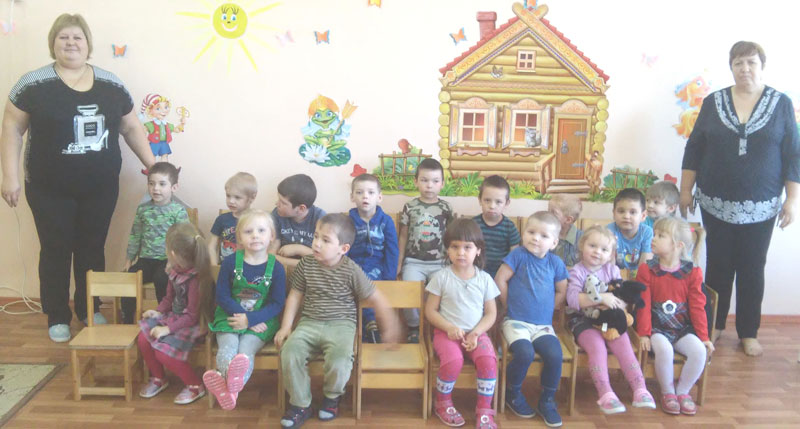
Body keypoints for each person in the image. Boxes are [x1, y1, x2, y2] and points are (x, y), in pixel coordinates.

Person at [0, 13, 154, 342]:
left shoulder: (111, 84)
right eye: (63, 37)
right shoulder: (33, 83)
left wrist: (153, 166)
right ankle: (57, 315)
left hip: (100, 189)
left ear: (88, 44)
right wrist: (9, 177)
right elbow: (11, 128)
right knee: (55, 250)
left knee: (92, 249)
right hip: (47, 188)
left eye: (77, 37)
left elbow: (131, 127)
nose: (70, 43)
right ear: (53, 43)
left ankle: (89, 309)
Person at [680, 41, 800, 357]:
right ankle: (714, 325)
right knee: (717, 265)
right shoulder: (713, 102)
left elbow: (793, 154)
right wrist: (685, 190)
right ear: (731, 67)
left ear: (762, 65)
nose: (745, 69)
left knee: (752, 267)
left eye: (751, 62)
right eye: (738, 63)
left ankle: (748, 332)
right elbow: (694, 147)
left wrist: (792, 199)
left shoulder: (781, 104)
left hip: (762, 205)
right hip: (715, 202)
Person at [275, 213, 399, 427]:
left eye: (325, 240)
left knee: (340, 360)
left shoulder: (351, 269)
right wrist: (286, 327)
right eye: (316, 236)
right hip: (309, 322)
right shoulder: (306, 264)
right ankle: (300, 404)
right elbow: (294, 295)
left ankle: (332, 397)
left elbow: (375, 297)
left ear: (343, 248)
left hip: (341, 325)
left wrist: (389, 327)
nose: (316, 243)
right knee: (290, 352)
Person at [566, 225, 655, 414]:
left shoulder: (612, 270)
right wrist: (601, 298)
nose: (597, 252)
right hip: (583, 321)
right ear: (582, 246)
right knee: (597, 347)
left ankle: (640, 389)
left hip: (611, 321)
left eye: (604, 249)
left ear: (610, 254)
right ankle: (605, 393)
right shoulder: (577, 271)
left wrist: (619, 304)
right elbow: (573, 300)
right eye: (592, 246)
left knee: (624, 345)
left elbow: (622, 298)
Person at [204, 209, 286, 410]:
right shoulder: (230, 262)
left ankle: (228, 391)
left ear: (271, 236)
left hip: (261, 321)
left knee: (245, 351)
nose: (255, 235)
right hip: (229, 316)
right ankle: (230, 391)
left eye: (261, 231)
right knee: (228, 347)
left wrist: (251, 320)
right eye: (249, 231)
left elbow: (277, 303)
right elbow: (222, 296)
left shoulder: (277, 268)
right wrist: (243, 318)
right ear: (239, 237)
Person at [494, 211, 567, 427]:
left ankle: (547, 400)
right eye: (531, 232)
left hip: (542, 325)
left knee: (555, 354)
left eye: (543, 236)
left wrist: (550, 309)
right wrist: (507, 305)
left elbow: (562, 290)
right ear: (523, 233)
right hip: (515, 321)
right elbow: (500, 279)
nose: (535, 238)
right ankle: (512, 392)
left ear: (554, 243)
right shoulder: (517, 255)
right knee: (524, 353)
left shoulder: (555, 263)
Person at [425, 218, 500, 429]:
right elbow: (430, 311)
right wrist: (449, 327)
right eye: (455, 247)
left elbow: (491, 313)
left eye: (467, 247)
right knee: (453, 360)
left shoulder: (485, 279)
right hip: (446, 334)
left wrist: (476, 333)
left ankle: (484, 410)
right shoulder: (441, 277)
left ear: (478, 250)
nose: (461, 252)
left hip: (477, 334)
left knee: (489, 360)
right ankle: (442, 403)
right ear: (447, 250)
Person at [636, 217, 714, 416]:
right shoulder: (647, 269)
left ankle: (683, 392)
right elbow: (643, 304)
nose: (654, 238)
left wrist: (704, 337)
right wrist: (644, 333)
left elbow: (698, 307)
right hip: (657, 328)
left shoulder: (693, 272)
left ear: (678, 245)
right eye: (654, 234)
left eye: (661, 235)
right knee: (664, 349)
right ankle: (667, 392)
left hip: (681, 329)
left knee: (699, 351)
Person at [137, 222, 212, 405]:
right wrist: (158, 311)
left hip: (193, 324)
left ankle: (195, 385)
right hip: (174, 318)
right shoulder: (174, 271)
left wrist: (167, 329)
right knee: (143, 339)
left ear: (172, 253)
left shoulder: (196, 279)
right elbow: (169, 299)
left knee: (163, 353)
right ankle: (158, 378)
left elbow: (192, 316)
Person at [122, 162, 189, 323]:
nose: (155, 188)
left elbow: (184, 238)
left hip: (167, 260)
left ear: (174, 187)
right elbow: (135, 235)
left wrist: (177, 261)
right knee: (130, 278)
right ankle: (128, 318)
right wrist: (129, 259)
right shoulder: (143, 210)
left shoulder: (178, 211)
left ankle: (164, 316)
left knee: (161, 279)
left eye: (162, 184)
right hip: (145, 259)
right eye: (151, 184)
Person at [398, 158, 454, 343]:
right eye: (424, 180)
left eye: (435, 181)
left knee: (441, 293)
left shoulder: (446, 208)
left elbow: (452, 237)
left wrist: (452, 262)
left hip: (440, 263)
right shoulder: (410, 207)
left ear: (442, 183)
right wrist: (399, 262)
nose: (429, 185)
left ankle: (437, 328)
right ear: (416, 181)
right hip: (414, 263)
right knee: (409, 291)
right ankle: (414, 327)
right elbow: (403, 236)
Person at [347, 173, 398, 343]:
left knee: (370, 283)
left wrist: (389, 277)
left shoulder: (386, 221)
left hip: (377, 266)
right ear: (352, 197)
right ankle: (367, 324)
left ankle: (370, 324)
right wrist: (342, 270)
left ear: (379, 197)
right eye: (359, 192)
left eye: (370, 192)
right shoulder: (348, 221)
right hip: (353, 265)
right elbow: (343, 247)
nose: (365, 196)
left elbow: (392, 250)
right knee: (355, 284)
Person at [269, 174, 326, 271]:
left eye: (283, 202)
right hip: (285, 269)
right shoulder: (276, 215)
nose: (277, 204)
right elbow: (271, 256)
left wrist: (298, 249)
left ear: (301, 208)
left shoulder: (320, 218)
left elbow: (324, 257)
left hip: (313, 272)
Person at [472, 175, 520, 278]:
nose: (492, 206)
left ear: (506, 203)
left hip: (501, 273)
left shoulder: (509, 227)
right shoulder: (473, 225)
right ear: (480, 200)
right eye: (487, 200)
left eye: (498, 202)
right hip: (476, 271)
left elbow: (514, 254)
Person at [208, 172, 258, 265]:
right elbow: (212, 246)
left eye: (237, 197)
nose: (231, 201)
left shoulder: (257, 221)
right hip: (225, 268)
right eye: (228, 195)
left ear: (252, 197)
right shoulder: (221, 219)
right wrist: (215, 267)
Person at [608, 188, 653, 273]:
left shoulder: (647, 233)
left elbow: (645, 264)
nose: (626, 216)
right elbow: (608, 265)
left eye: (632, 212)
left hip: (638, 275)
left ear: (643, 216)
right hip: (614, 274)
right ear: (614, 213)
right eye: (621, 211)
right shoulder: (609, 231)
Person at [549, 194, 583, 267]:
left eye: (553, 212)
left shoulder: (583, 239)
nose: (548, 215)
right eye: (548, 210)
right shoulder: (545, 234)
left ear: (568, 220)